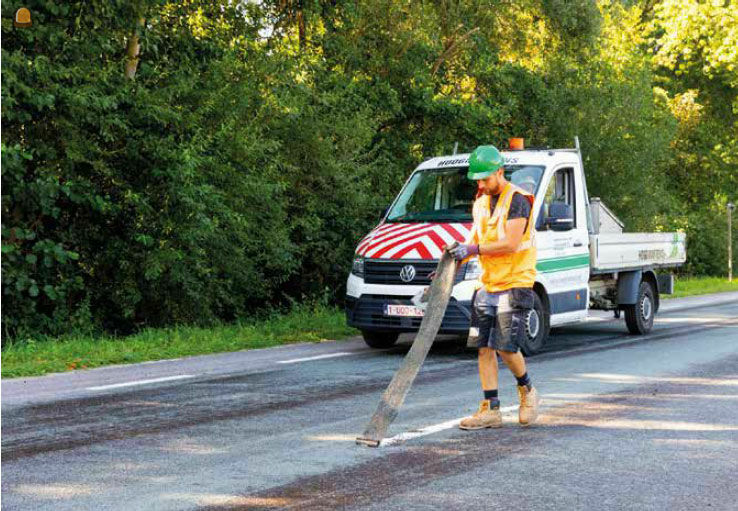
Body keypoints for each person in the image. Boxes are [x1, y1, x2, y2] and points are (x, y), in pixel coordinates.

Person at [448, 145, 541, 429]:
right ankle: (491, 409)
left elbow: (510, 244)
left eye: (485, 178)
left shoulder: (518, 200)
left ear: (500, 172)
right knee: (483, 347)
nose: (481, 184)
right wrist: (450, 268)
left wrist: (473, 247)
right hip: (487, 283)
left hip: (515, 282)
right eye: (477, 179)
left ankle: (528, 391)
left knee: (505, 347)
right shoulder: (480, 202)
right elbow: (472, 243)